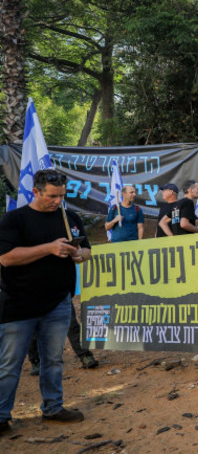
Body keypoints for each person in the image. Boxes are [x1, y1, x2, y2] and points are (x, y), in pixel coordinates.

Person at [0, 169, 92, 435]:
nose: (57, 202)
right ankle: (2, 415)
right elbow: (6, 258)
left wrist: (80, 254)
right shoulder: (15, 219)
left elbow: (87, 249)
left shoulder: (69, 217)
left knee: (53, 360)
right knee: (9, 364)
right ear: (36, 191)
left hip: (58, 303)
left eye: (61, 196)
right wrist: (49, 249)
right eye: (52, 196)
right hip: (18, 304)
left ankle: (53, 407)